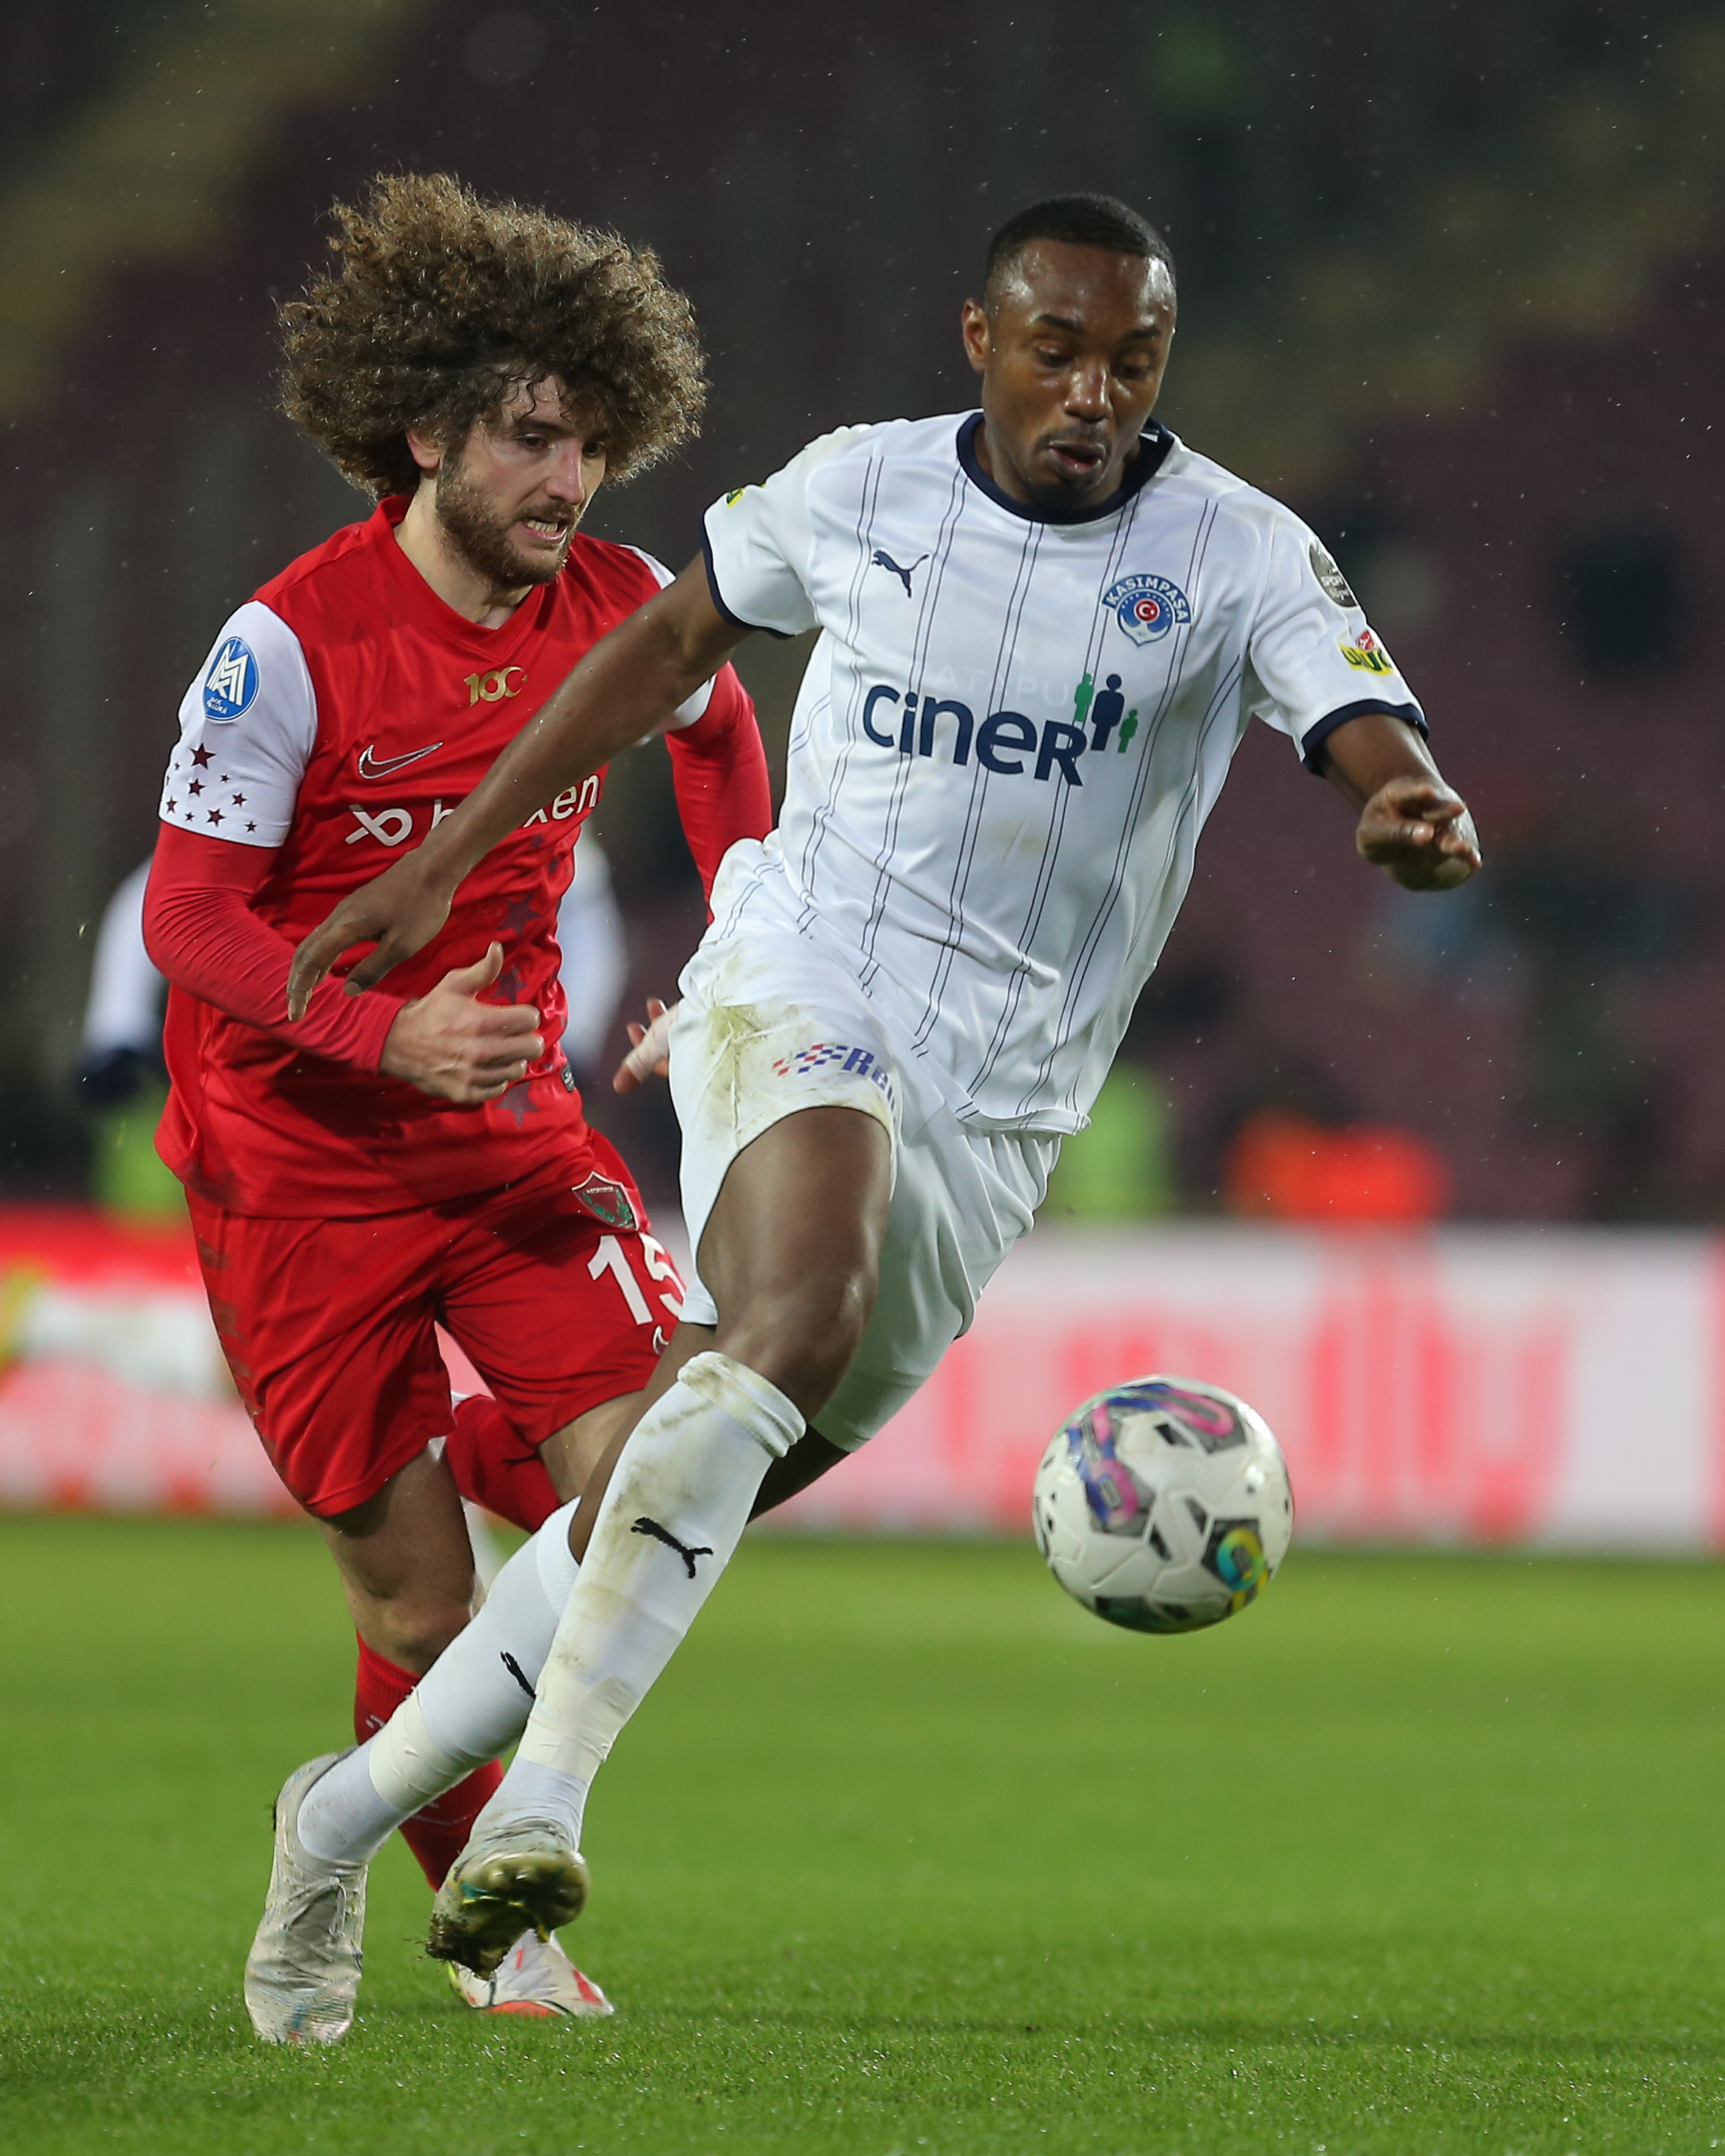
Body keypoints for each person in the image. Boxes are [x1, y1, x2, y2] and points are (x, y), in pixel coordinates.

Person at [283, 192, 1481, 1986]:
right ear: (981, 341)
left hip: (998, 1107)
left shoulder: (1235, 550)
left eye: (1133, 359)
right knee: (795, 1313)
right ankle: (542, 1807)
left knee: (676, 1489)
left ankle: (334, 1819)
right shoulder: (857, 487)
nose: (1093, 391)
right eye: (1057, 351)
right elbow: (667, 647)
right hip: (804, 971)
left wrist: (1397, 797)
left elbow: (1358, 721)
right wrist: (451, 852)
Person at [142, 173, 775, 2039]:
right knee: (420, 1612)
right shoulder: (286, 645)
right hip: (294, 1169)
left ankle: (486, 1884)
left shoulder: (624, 603)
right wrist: (379, 1031)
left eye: (586, 440)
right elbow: (187, 917)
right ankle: (409, 1873)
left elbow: (724, 736)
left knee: (662, 1475)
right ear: (421, 432)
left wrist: (736, 946)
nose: (564, 479)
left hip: (508, 1144)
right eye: (524, 437)